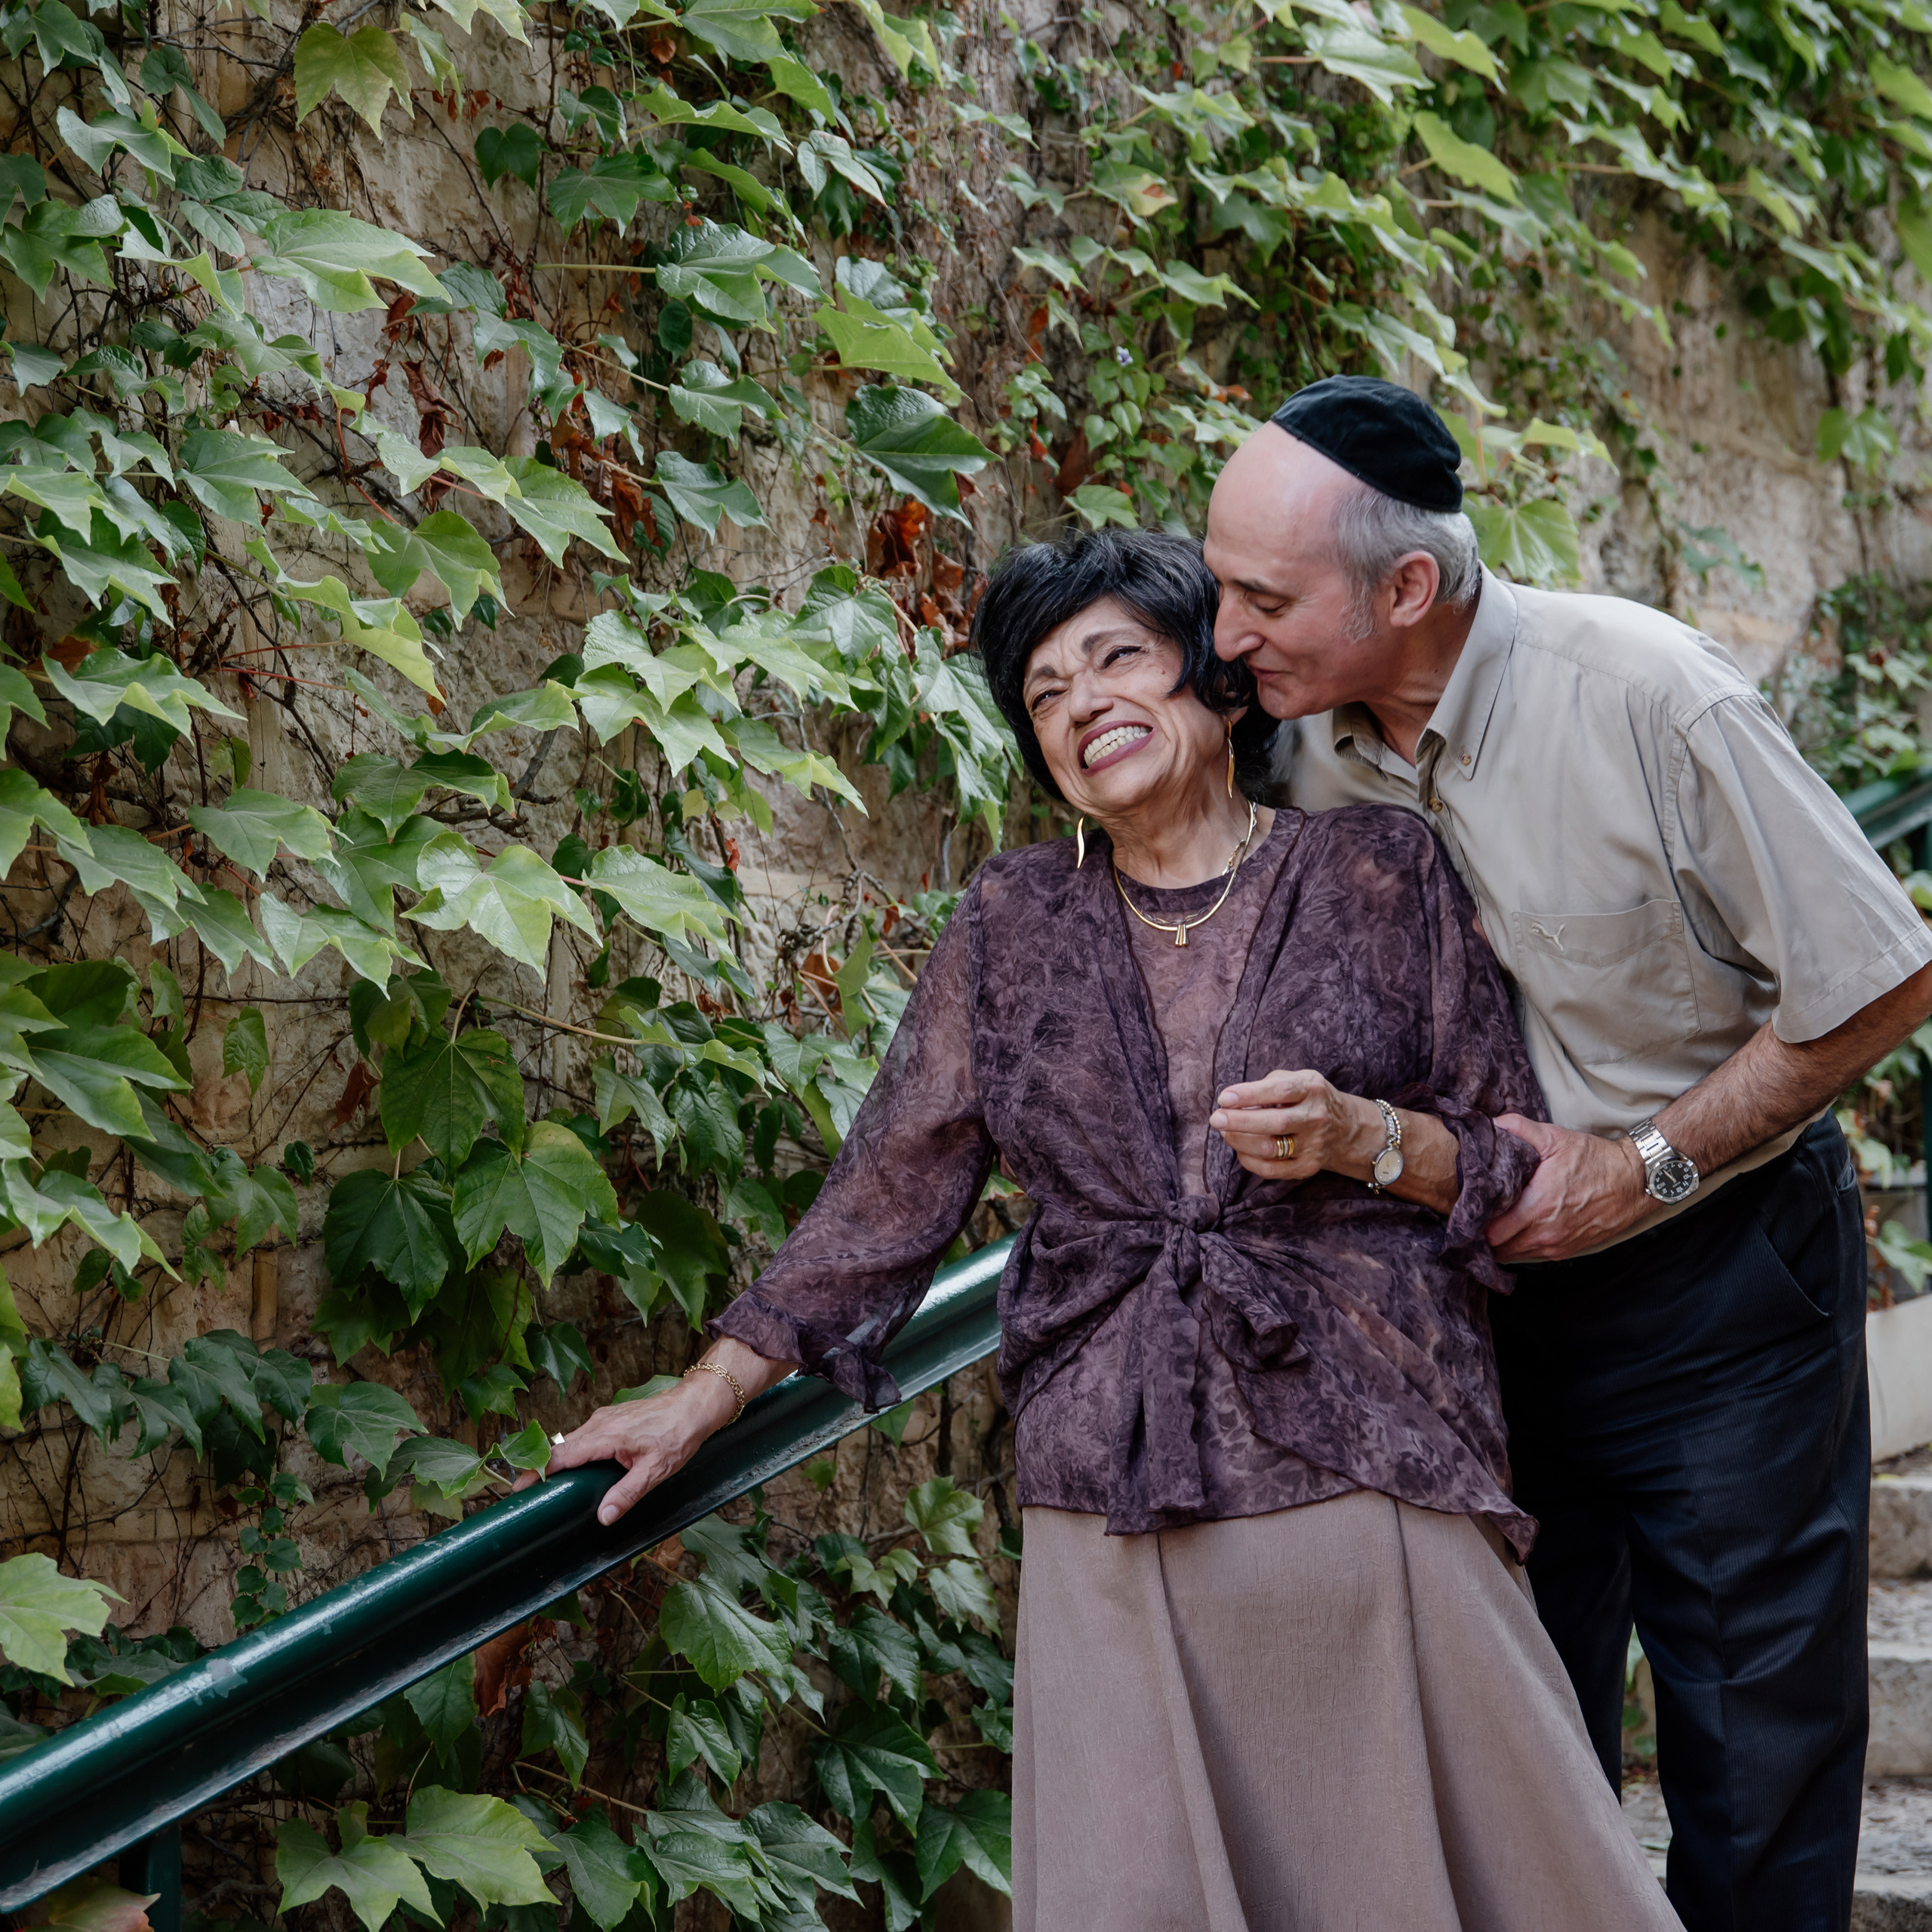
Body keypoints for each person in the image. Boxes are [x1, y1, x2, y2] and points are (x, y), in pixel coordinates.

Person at [540, 530, 1681, 1931]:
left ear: (1213, 682)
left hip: (1370, 1460)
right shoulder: (1013, 919)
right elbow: (886, 1194)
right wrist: (701, 1396)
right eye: (1044, 693)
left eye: (1117, 658)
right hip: (1115, 1480)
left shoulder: (1374, 868)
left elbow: (1509, 1158)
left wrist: (1360, 1139)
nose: (1082, 703)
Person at [1205, 372, 1932, 1932]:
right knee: (1511, 1749)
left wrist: (1646, 1166)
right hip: (1465, 1313)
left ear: (1404, 587)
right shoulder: (1296, 745)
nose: (1223, 635)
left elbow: (1879, 973)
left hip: (1714, 1288)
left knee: (1754, 1759)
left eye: (1259, 598)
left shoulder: (1646, 690)